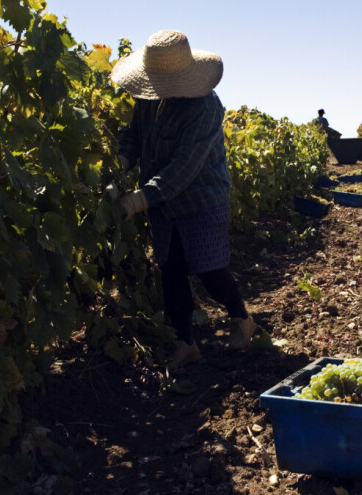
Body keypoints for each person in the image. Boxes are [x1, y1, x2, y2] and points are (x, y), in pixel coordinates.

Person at [111, 29, 257, 370]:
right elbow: (134, 135)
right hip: (159, 201)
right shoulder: (146, 98)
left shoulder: (205, 106)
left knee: (209, 269)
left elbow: (184, 168)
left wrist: (137, 200)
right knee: (171, 270)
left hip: (201, 200)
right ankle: (185, 343)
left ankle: (241, 318)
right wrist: (122, 159)